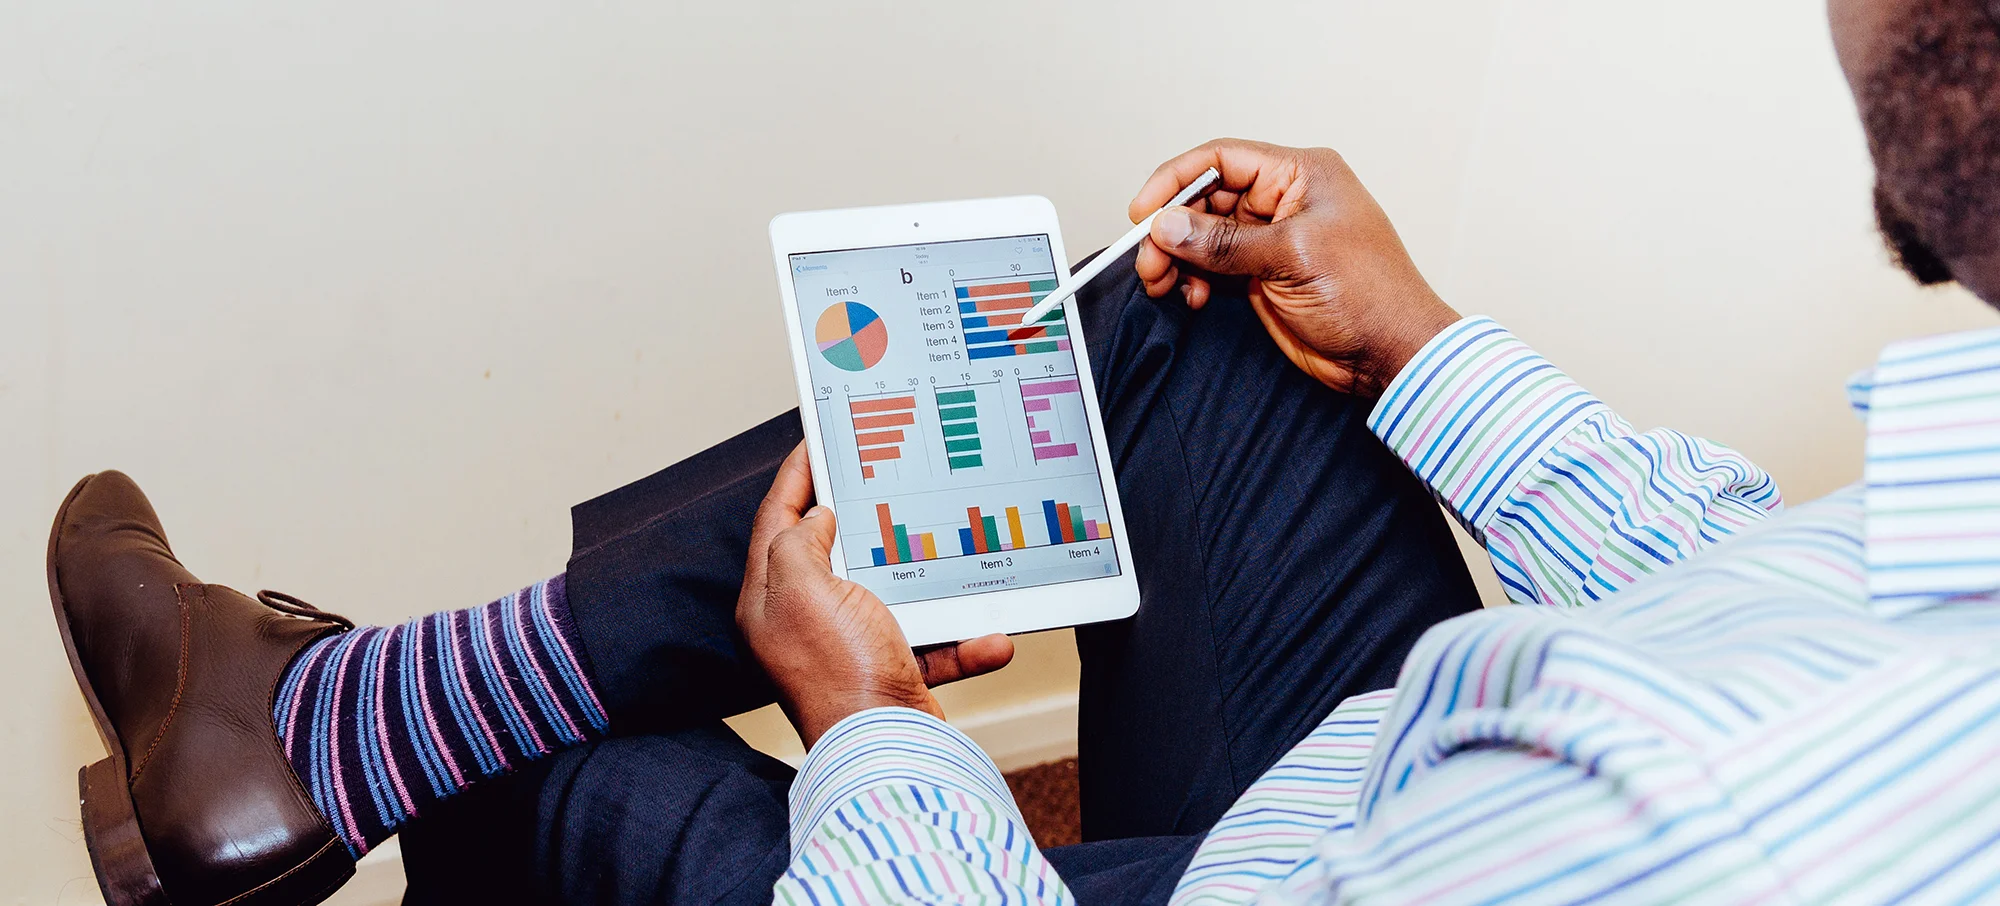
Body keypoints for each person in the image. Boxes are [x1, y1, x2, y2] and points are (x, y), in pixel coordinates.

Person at [42, 0, 2000, 902]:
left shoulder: (1710, 829)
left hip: (1412, 859)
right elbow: (1775, 595)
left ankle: (346, 734)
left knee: (563, 790)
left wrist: (877, 736)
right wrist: (1424, 344)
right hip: (1384, 819)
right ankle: (313, 727)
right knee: (1181, 313)